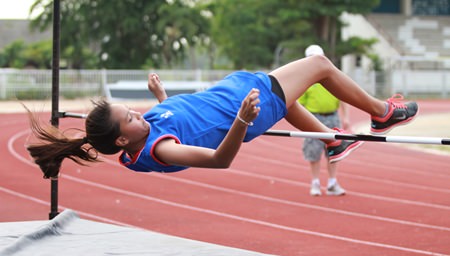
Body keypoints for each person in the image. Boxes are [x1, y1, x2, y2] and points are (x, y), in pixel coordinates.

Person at [26, 55, 418, 179]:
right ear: (124, 140)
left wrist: (160, 98)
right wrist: (244, 120)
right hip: (241, 105)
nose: (135, 113)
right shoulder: (161, 149)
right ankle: (383, 113)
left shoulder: (145, 131)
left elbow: (179, 116)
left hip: (235, 91)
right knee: (319, 64)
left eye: (129, 108)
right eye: (128, 117)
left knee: (289, 100)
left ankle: (332, 143)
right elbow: (219, 160)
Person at [298, 45, 349, 196]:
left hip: (332, 116)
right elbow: (300, 103)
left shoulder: (332, 76)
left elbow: (343, 96)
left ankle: (332, 183)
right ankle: (315, 183)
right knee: (313, 152)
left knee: (334, 151)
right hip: (314, 117)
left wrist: (345, 117)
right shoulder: (304, 79)